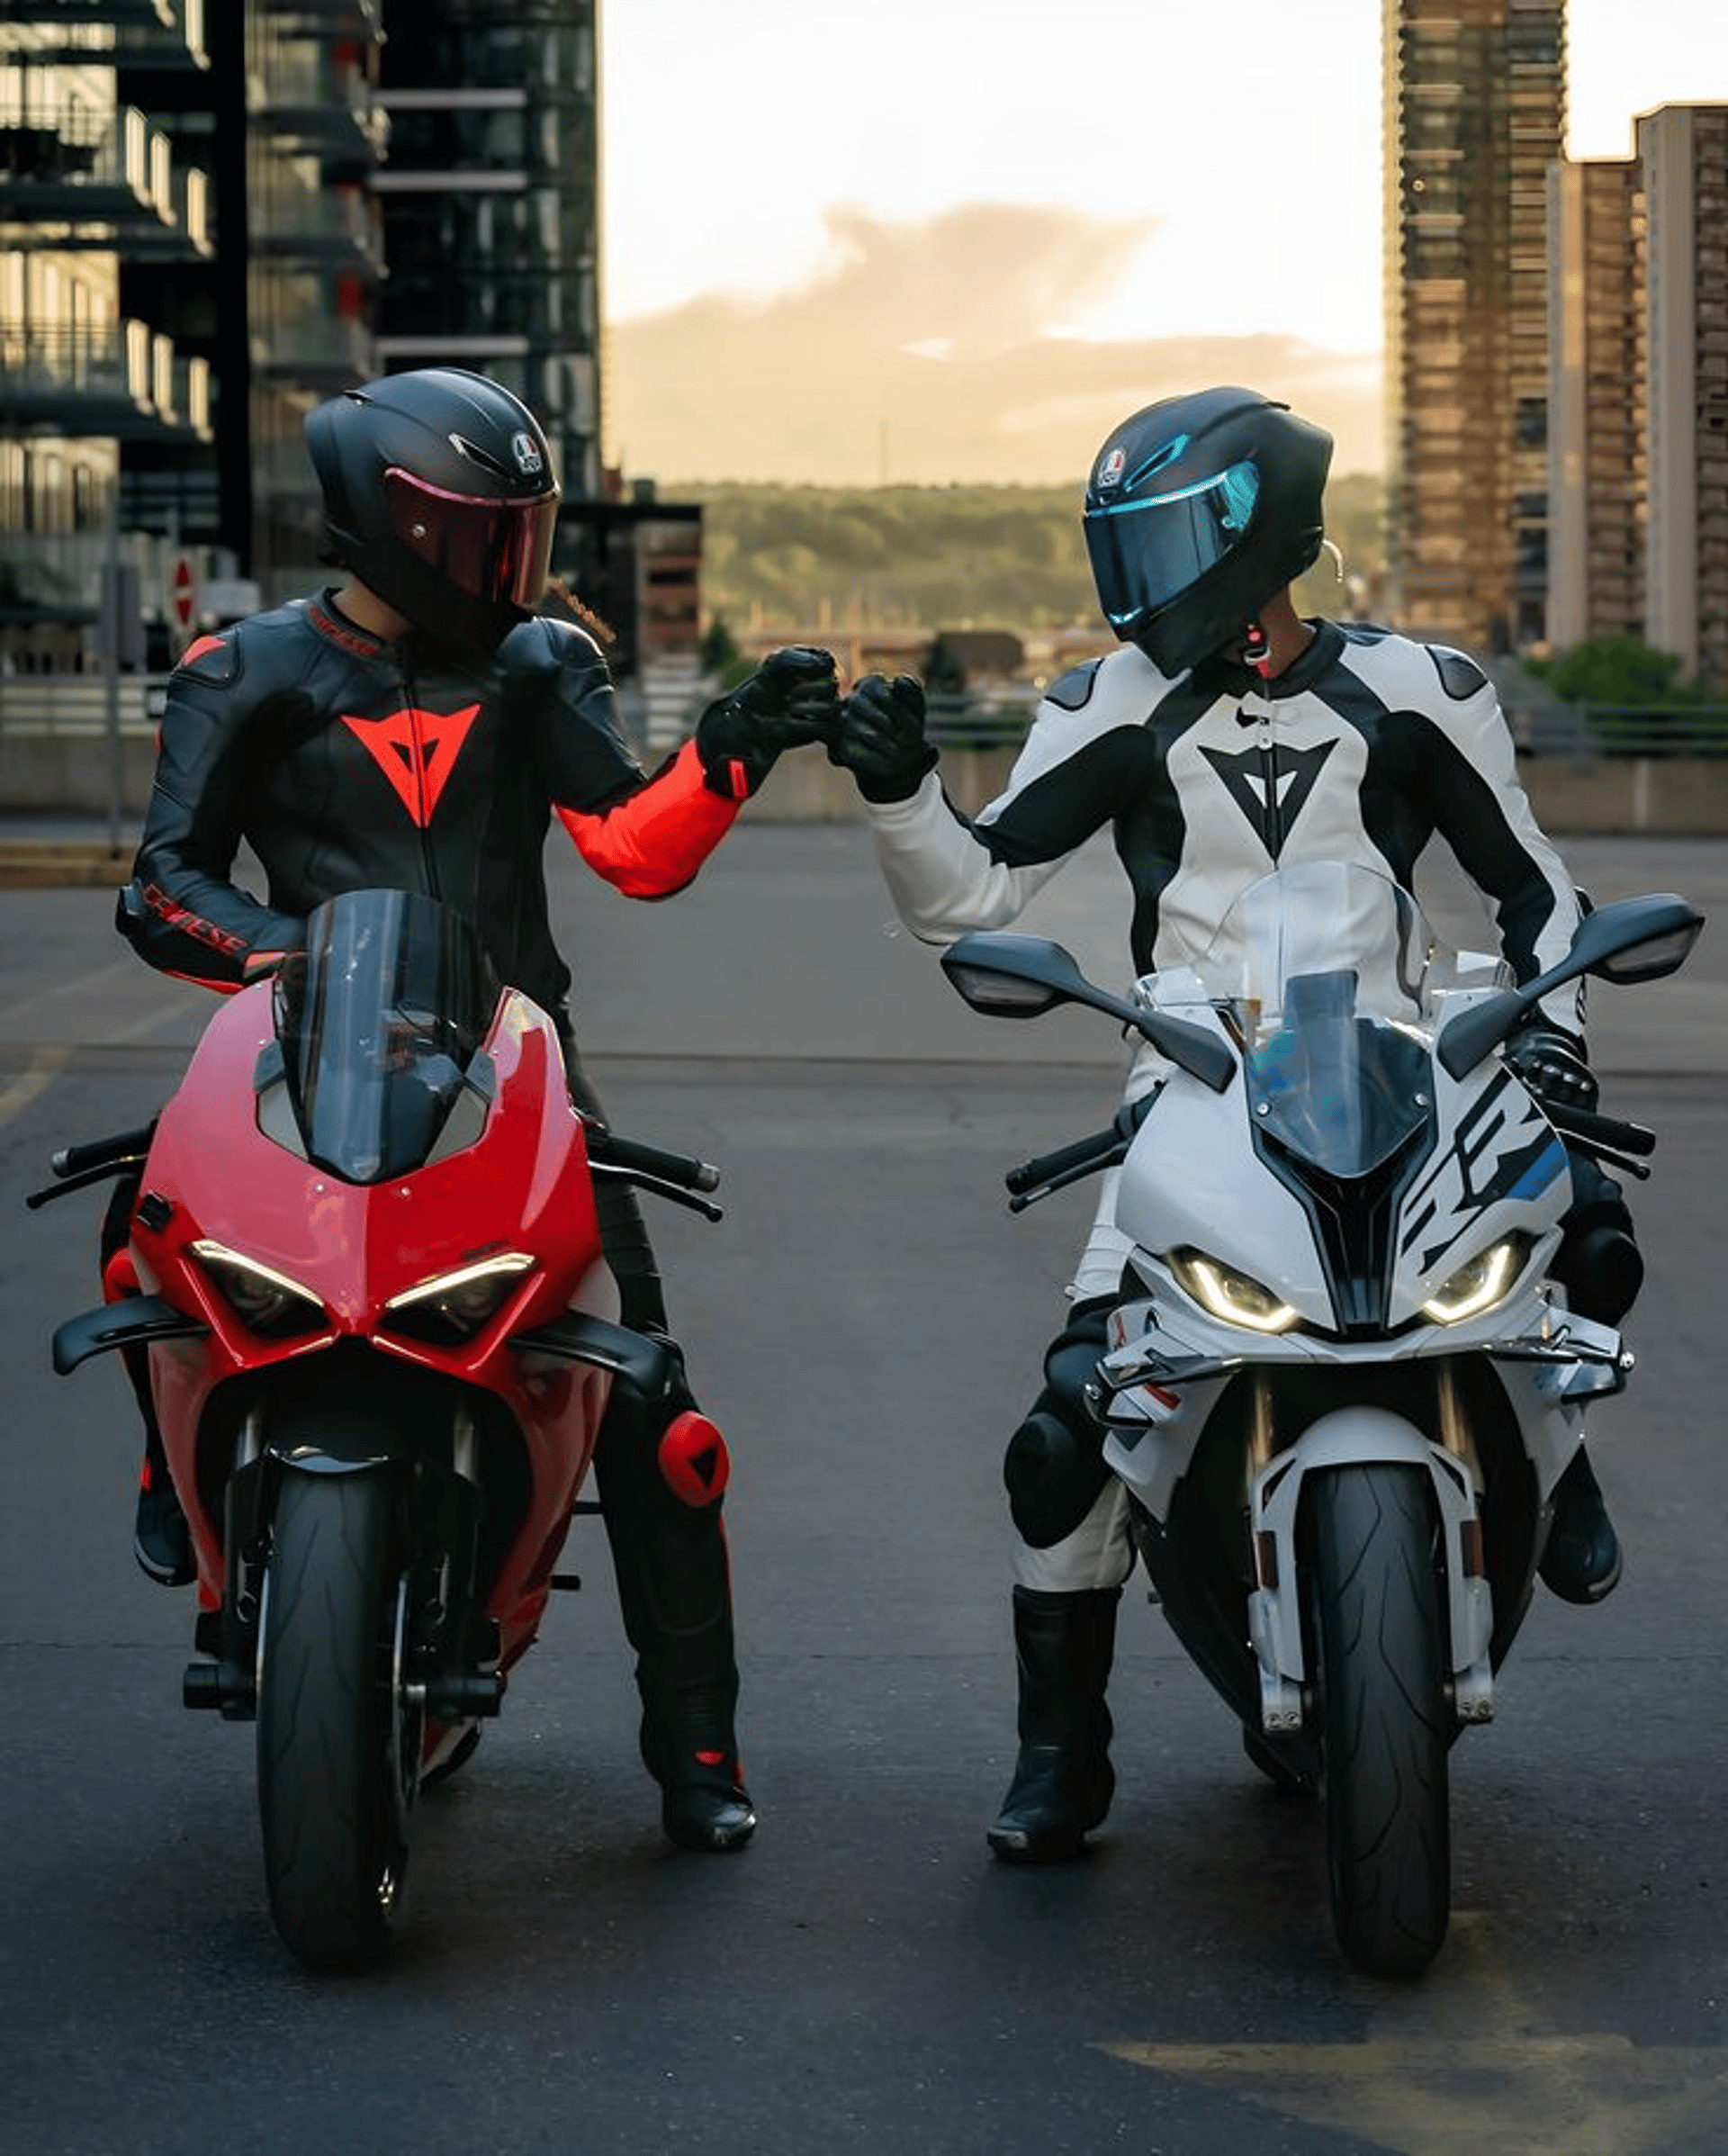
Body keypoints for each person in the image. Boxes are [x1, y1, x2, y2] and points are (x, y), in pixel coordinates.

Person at [828, 383, 1642, 1864]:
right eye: (1117, 545)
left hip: (1400, 1067)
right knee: (1063, 1429)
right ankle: (1060, 1753)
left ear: (1255, 529)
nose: (1132, 581)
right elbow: (975, 894)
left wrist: (1559, 1052)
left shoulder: (1420, 689)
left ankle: (1562, 1463)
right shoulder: (1112, 706)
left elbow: (1538, 896)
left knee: (1580, 1233)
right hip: (1190, 1088)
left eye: (1157, 541)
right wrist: (899, 791)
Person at [106, 365, 840, 1854]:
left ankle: (697, 1751)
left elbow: (634, 850)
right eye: (482, 537)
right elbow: (156, 883)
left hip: (519, 1065)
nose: (509, 566)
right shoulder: (242, 670)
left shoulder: (538, 664)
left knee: (654, 1406)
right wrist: (288, 954)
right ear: (395, 528)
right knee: (142, 1250)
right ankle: (169, 1477)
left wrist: (737, 742)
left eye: (521, 534)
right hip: (299, 1050)